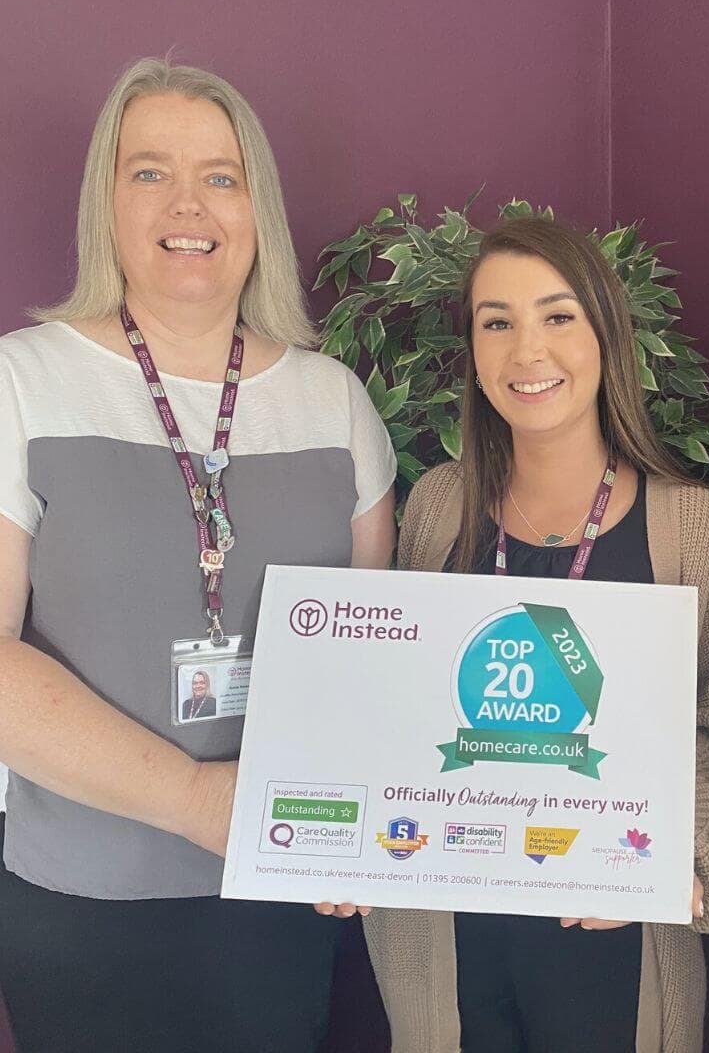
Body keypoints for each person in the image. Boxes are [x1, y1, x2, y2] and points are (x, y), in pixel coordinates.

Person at [0, 58, 397, 1053]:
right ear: (107, 201)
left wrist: (353, 830)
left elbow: (372, 658)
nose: (189, 203)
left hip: (279, 902)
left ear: (256, 208)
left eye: (220, 176)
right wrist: (195, 800)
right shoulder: (23, 382)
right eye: (150, 172)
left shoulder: (333, 402)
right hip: (81, 903)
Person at [320, 217, 709, 1051]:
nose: (527, 351)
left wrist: (689, 869)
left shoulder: (691, 525)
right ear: (474, 352)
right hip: (448, 936)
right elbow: (400, 713)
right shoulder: (438, 506)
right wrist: (344, 840)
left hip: (615, 940)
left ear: (605, 335)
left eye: (557, 317)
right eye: (497, 322)